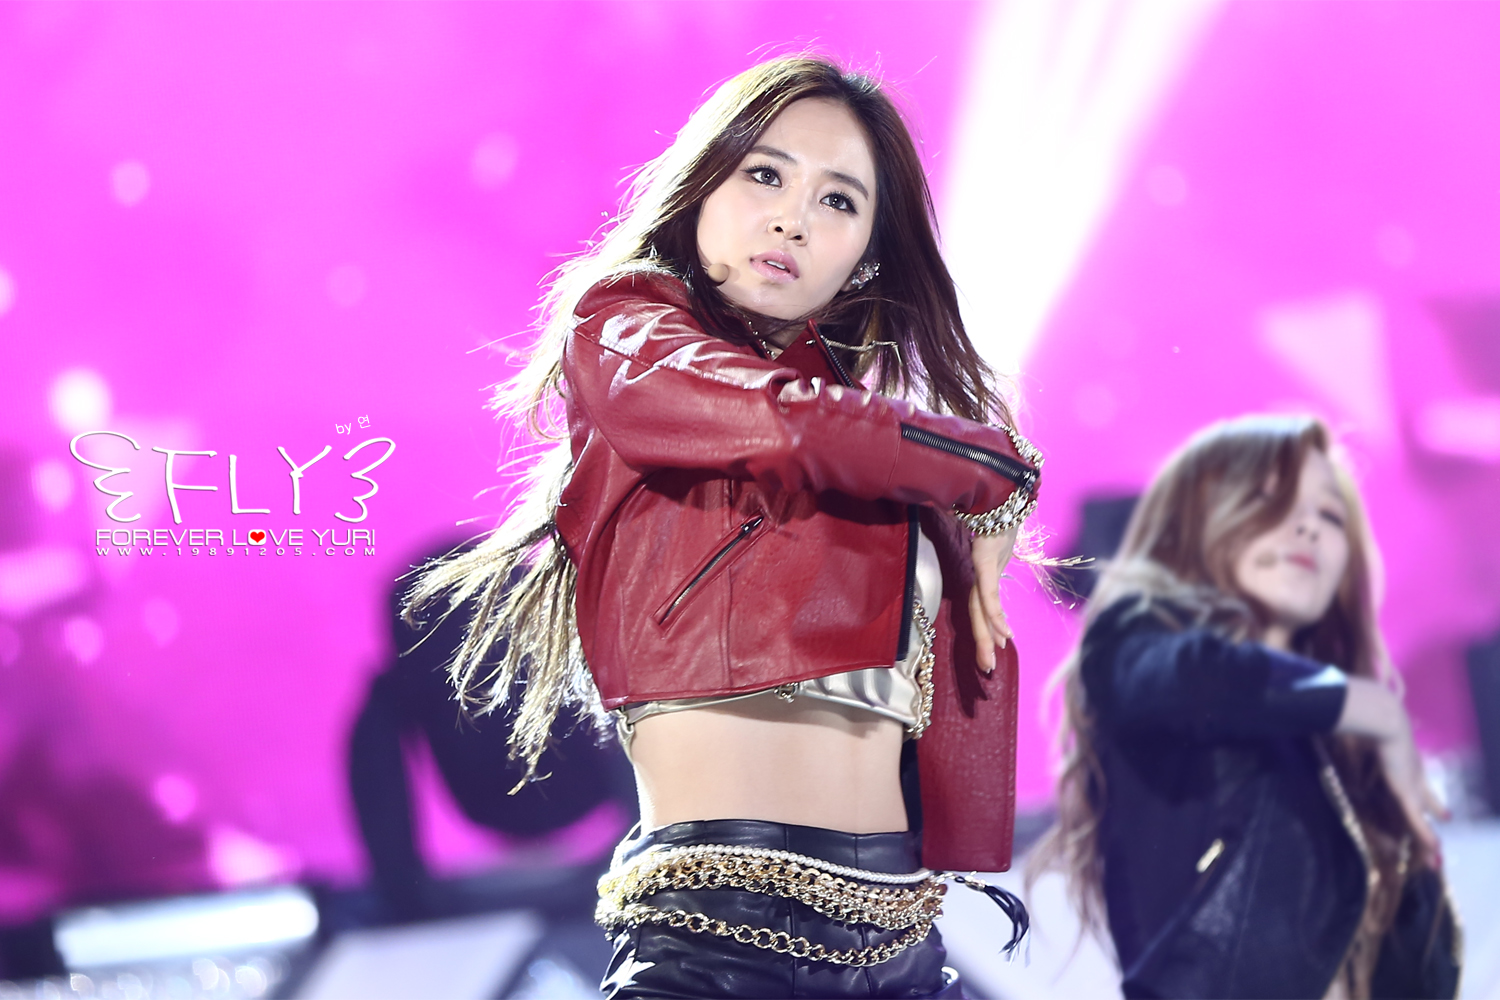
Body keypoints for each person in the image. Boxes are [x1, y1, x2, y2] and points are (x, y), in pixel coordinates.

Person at [408, 56, 1042, 999]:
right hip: (718, 945)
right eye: (765, 175)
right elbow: (788, 424)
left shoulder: (880, 452)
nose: (792, 219)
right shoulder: (625, 335)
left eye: (838, 201)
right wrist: (994, 469)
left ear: (866, 252)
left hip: (902, 946)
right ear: (702, 186)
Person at [1033, 415, 1460, 1000]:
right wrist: (1375, 709)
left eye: (1329, 515)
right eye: (1271, 500)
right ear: (1197, 520)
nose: (1307, 526)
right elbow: (1198, 677)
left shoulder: (1351, 749)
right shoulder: (1133, 641)